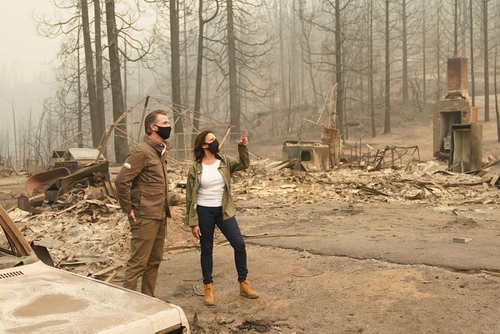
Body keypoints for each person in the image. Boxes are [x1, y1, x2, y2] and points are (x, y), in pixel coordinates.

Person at [185, 129, 259, 306]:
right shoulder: (195, 168)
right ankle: (208, 287)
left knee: (239, 244)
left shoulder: (224, 162)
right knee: (207, 249)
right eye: (212, 140)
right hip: (204, 211)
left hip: (224, 210)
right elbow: (189, 197)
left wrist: (242, 148)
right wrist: (193, 222)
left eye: (215, 139)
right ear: (204, 145)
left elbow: (244, 165)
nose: (216, 142)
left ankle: (243, 283)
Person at [115, 109, 172, 297]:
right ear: (153, 127)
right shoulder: (142, 151)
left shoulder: (159, 152)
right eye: (164, 123)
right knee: (138, 263)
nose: (169, 126)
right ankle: (130, 305)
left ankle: (148, 300)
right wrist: (128, 208)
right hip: (145, 216)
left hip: (159, 214)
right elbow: (121, 180)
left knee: (154, 261)